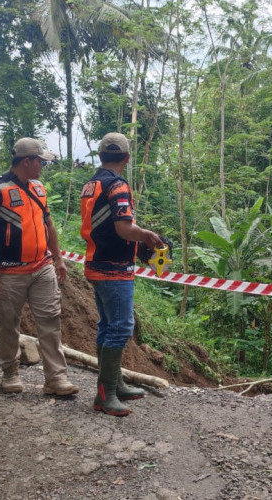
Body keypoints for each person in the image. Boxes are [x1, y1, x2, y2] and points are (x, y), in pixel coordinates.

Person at [0, 137, 79, 396]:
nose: (43, 165)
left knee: (50, 321)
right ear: (27, 161)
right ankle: (10, 373)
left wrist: (58, 258)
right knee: (9, 323)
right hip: (8, 271)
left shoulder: (38, 188)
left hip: (42, 267)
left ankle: (56, 378)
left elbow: (49, 225)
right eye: (40, 161)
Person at [80, 132, 163, 417]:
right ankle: (106, 394)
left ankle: (115, 383)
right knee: (120, 327)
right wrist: (147, 235)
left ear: (101, 155)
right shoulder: (117, 186)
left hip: (96, 262)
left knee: (107, 325)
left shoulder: (91, 184)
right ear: (126, 158)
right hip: (114, 267)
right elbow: (124, 229)